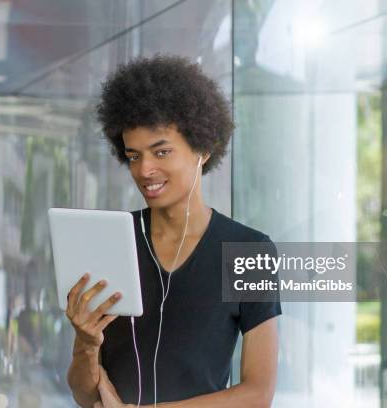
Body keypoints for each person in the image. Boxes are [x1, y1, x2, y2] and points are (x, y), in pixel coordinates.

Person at [65, 55, 281, 408]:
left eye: (161, 151)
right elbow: (84, 394)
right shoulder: (109, 243)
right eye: (134, 156)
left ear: (202, 149)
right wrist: (86, 344)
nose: (145, 169)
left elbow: (258, 394)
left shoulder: (248, 251)